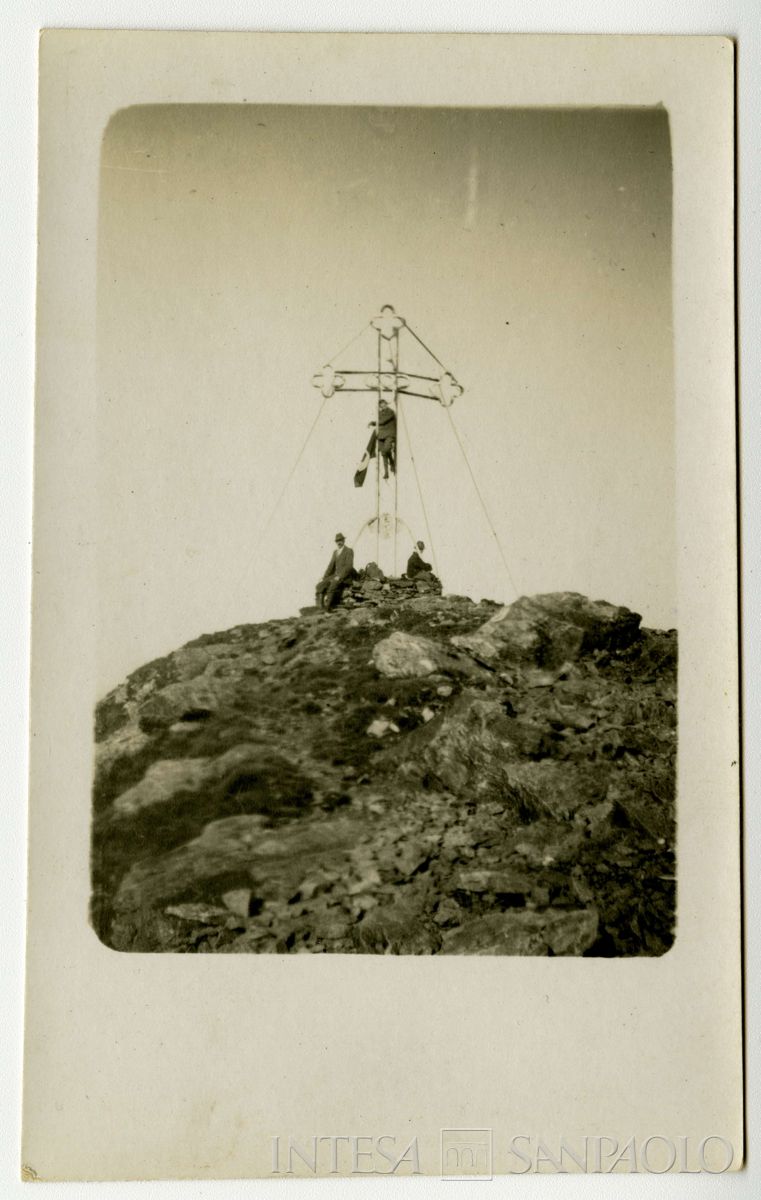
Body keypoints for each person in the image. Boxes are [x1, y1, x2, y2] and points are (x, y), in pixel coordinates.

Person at [315, 532, 355, 610]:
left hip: (345, 577)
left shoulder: (349, 551)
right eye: (337, 541)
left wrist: (340, 576)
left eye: (340, 540)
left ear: (344, 540)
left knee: (332, 586)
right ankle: (320, 608)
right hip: (335, 575)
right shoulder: (335, 552)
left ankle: (328, 609)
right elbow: (331, 566)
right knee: (320, 585)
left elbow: (349, 566)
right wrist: (324, 577)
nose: (339, 542)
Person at [374, 398, 397, 479]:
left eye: (383, 403)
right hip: (381, 435)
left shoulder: (390, 412)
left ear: (386, 404)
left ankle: (392, 462)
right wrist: (373, 422)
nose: (382, 405)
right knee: (383, 453)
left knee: (386, 449)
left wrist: (376, 422)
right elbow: (379, 421)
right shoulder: (380, 413)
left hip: (389, 434)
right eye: (380, 404)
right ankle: (386, 472)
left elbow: (383, 421)